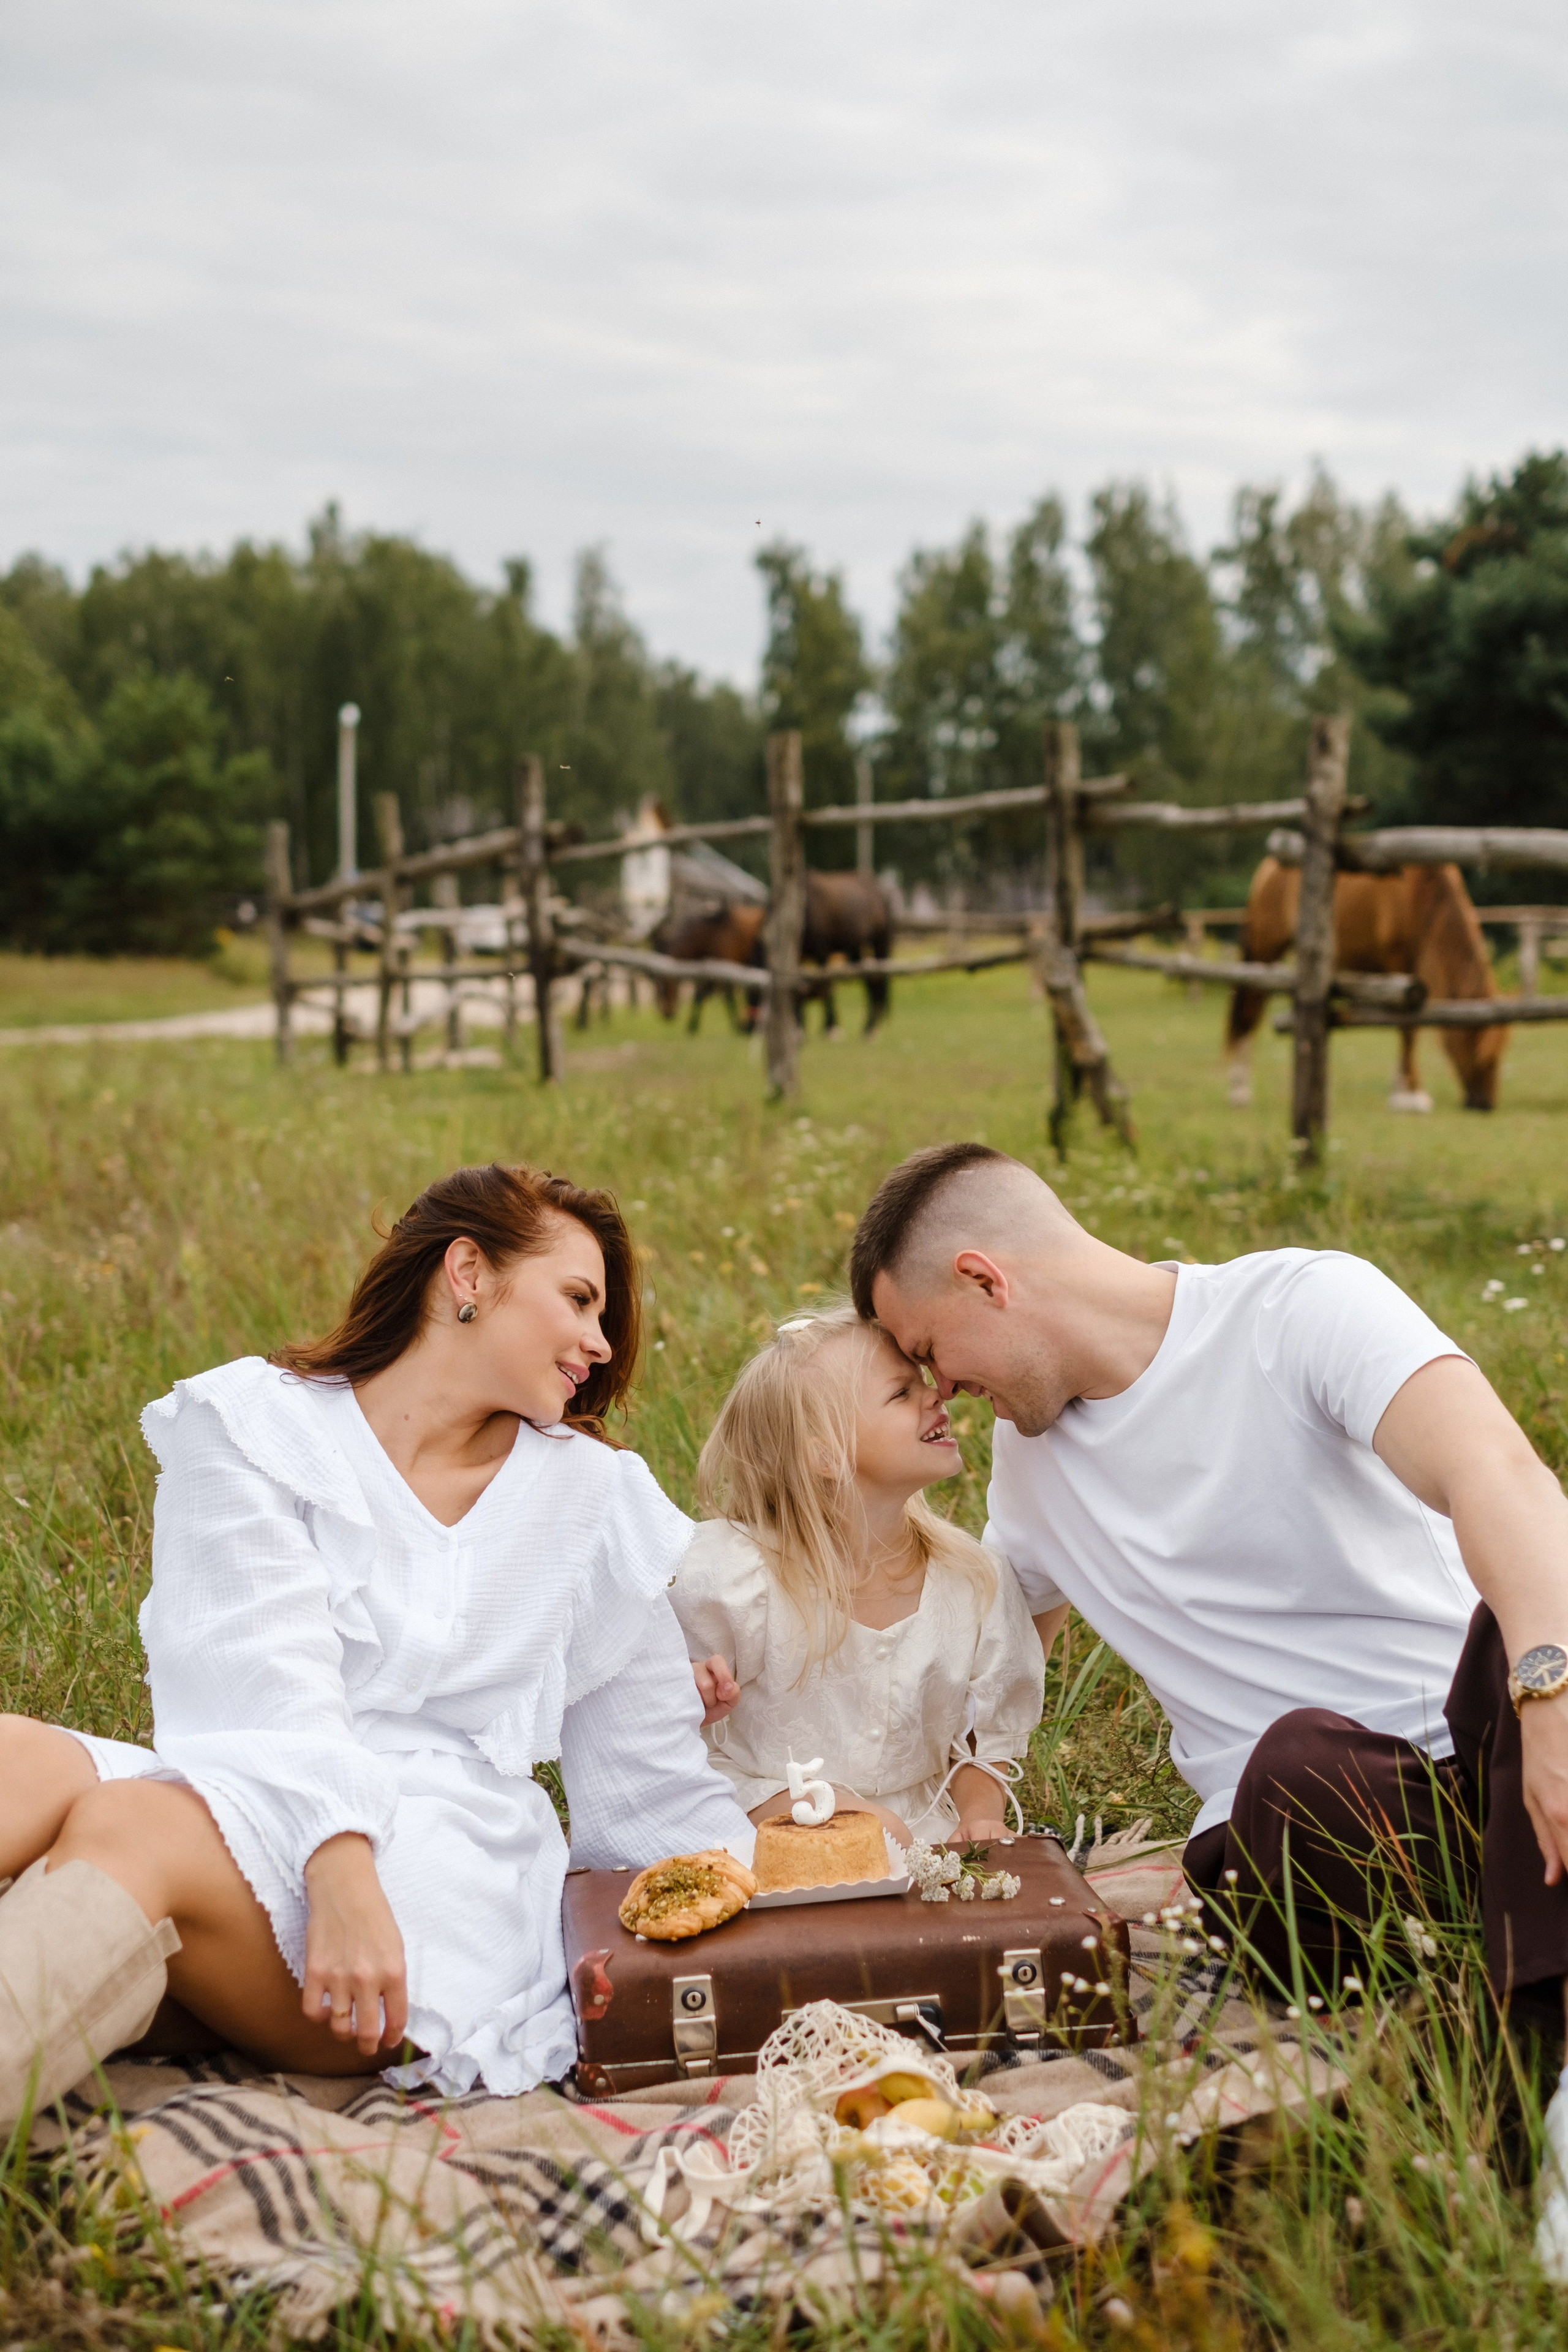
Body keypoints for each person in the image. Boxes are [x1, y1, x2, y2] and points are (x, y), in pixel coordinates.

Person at [849, 1139, 1568, 2275]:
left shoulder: (1299, 1308)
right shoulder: (1031, 1471)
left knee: (1526, 1612)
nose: (939, 1391)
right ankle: (1531, 2069)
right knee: (1292, 1770)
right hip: (1321, 1843)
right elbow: (979, 1667)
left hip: (1499, 1753)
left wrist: (1551, 1701)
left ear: (988, 1278)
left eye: (931, 1352)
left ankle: (1519, 2092)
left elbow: (1502, 1475)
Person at [0, 1163, 753, 2125]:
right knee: (20, 1756)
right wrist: (335, 1856)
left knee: (135, 1830)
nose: (600, 1345)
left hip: (435, 1875)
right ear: (469, 1273)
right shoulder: (255, 1423)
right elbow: (257, 1668)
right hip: (257, 1791)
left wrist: (792, 1898)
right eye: (578, 1299)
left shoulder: (593, 1501)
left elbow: (649, 1794)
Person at [671, 1304, 1046, 1846]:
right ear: (825, 1456)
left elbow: (980, 1741)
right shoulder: (735, 1578)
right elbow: (675, 1725)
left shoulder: (973, 1580)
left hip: (920, 1828)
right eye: (901, 1394)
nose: (935, 1393)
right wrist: (691, 1688)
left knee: (902, 1855)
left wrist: (979, 1817)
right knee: (871, 1836)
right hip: (760, 1809)